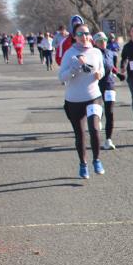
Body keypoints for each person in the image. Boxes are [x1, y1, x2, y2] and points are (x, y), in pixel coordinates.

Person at [58, 26, 105, 178]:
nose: (84, 36)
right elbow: (61, 77)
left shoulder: (96, 52)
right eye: (80, 34)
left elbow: (102, 69)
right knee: (80, 135)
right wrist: (75, 67)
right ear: (74, 36)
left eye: (86, 33)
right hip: (74, 100)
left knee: (94, 129)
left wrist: (100, 74)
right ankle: (83, 164)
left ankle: (96, 160)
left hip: (93, 97)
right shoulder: (69, 54)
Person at [95, 32, 122, 150]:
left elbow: (111, 66)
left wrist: (118, 74)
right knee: (98, 109)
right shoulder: (92, 53)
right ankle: (98, 119)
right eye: (100, 41)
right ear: (95, 42)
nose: (103, 42)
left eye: (104, 40)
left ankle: (108, 140)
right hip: (95, 85)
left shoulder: (111, 53)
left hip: (109, 84)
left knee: (110, 111)